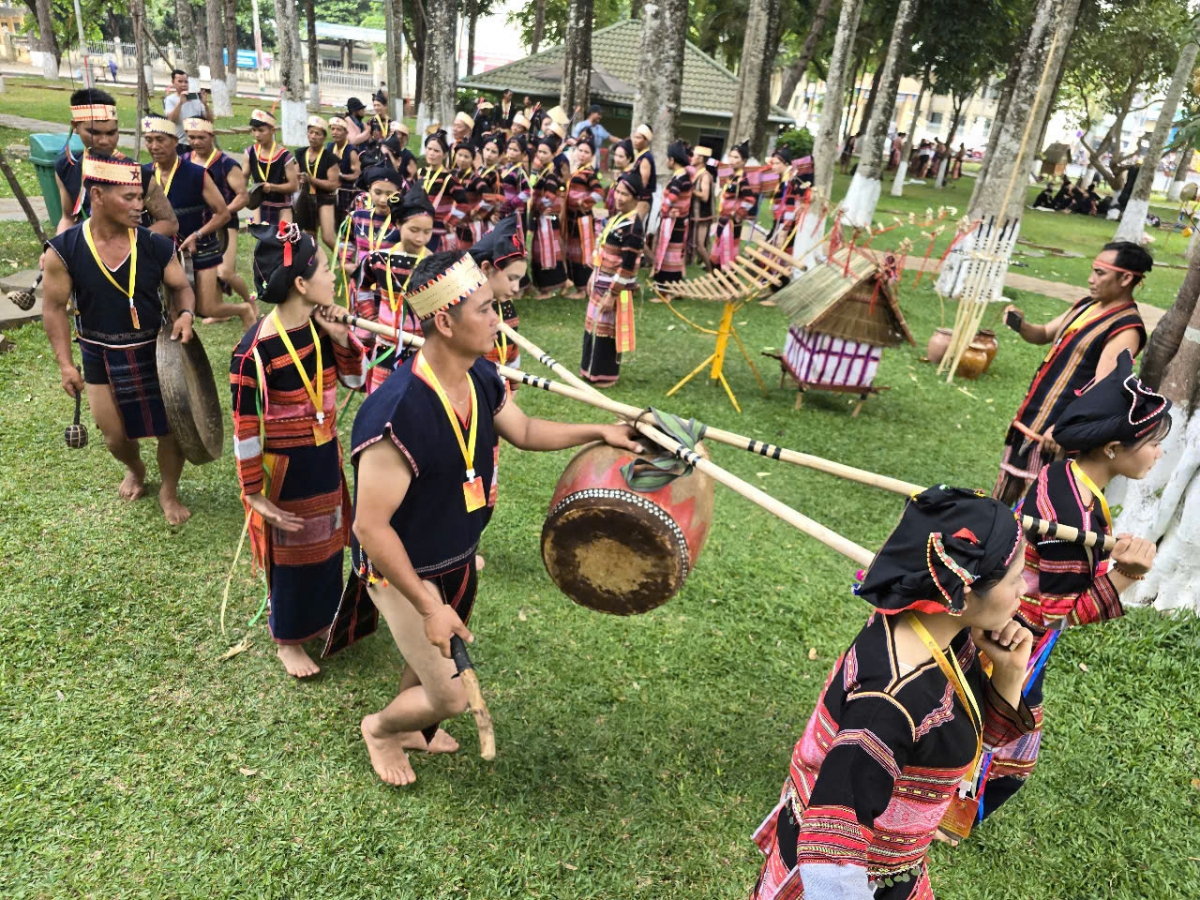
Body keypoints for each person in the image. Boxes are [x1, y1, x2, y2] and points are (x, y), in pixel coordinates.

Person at [349, 249, 643, 786]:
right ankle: (382, 728)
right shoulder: (397, 413)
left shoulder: (481, 375)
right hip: (401, 570)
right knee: (452, 694)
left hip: (455, 556)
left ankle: (414, 723)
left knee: (429, 659)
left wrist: (599, 430)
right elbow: (370, 526)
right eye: (485, 310)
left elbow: (525, 431)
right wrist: (426, 605)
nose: (499, 319)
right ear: (445, 320)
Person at [749, 485, 1037, 899]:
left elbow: (981, 738)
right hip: (861, 881)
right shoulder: (888, 705)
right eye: (1015, 579)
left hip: (895, 868)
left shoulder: (939, 630)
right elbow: (829, 855)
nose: (1025, 588)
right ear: (963, 592)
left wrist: (1009, 671)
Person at [976, 351, 1167, 823]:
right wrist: (1128, 574)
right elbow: (1057, 612)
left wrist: (1105, 558)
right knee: (1003, 748)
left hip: (1002, 623)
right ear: (1110, 448)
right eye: (1150, 442)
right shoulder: (1070, 515)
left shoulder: (1065, 474)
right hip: (1011, 639)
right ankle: (943, 813)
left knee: (973, 721)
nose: (1159, 453)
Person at [230, 223, 367, 678]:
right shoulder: (254, 352)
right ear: (302, 284)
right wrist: (254, 493)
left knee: (328, 542)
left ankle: (324, 616)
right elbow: (245, 430)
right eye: (326, 268)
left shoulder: (320, 329)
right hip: (285, 470)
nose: (335, 276)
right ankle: (287, 637)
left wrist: (344, 337)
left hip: (324, 457)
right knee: (290, 553)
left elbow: (354, 381)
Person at [42, 156, 198, 525]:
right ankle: (136, 468)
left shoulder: (155, 245)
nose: (139, 206)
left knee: (170, 429)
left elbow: (181, 289)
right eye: (128, 198)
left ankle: (169, 491)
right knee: (113, 436)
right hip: (99, 352)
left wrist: (187, 314)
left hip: (156, 350)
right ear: (97, 195)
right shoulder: (64, 250)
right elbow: (53, 308)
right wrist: (66, 363)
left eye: (140, 196)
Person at [994, 242, 1149, 506]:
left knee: (1035, 511)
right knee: (1000, 502)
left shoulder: (1126, 328)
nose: (1091, 279)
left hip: (1056, 437)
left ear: (1125, 278)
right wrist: (1020, 324)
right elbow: (1043, 333)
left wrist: (1061, 428)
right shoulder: (1086, 305)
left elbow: (1103, 389)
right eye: (1093, 271)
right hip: (1030, 423)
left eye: (1100, 273)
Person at [142, 116, 255, 329]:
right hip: (164, 249)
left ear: (175, 141)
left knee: (206, 308)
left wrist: (198, 234)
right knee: (174, 311)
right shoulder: (144, 174)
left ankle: (244, 309)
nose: (154, 146)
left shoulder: (196, 173)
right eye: (149, 140)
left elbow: (222, 214)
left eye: (160, 139)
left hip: (201, 246)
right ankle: (183, 360)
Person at [55, 88, 177, 238]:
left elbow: (170, 223)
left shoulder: (137, 173)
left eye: (111, 133)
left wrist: (126, 244)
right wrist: (56, 249)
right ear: (75, 126)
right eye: (94, 133)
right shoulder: (66, 167)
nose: (105, 141)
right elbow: (68, 218)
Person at [354, 184, 436, 391]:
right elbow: (361, 286)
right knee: (380, 398)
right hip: (385, 345)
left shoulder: (435, 265)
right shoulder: (379, 259)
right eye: (414, 230)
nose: (420, 238)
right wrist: (370, 318)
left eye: (427, 232)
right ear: (398, 224)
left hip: (422, 349)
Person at [182, 117, 254, 315]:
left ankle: (249, 302)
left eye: (201, 137)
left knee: (225, 272)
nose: (196, 142)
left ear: (211, 136)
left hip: (225, 224)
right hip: (196, 226)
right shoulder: (184, 161)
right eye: (191, 137)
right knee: (209, 272)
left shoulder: (226, 164)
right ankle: (218, 310)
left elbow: (243, 196)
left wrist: (223, 214)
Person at [581, 171, 644, 386]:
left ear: (636, 199)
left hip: (612, 286)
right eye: (618, 191)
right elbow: (602, 249)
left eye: (625, 194)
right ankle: (589, 370)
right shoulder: (618, 217)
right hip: (600, 280)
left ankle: (604, 375)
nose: (619, 197)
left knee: (606, 332)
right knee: (593, 327)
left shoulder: (634, 227)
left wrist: (613, 294)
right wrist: (593, 274)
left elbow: (628, 267)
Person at [469, 214, 527, 373]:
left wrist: (511, 389)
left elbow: (512, 354)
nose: (516, 288)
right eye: (511, 278)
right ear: (486, 268)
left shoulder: (506, 306)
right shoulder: (462, 310)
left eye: (519, 280)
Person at [563, 131, 604, 299]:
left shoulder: (589, 174)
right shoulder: (576, 171)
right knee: (573, 251)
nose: (582, 154)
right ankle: (578, 285)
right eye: (580, 150)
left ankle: (583, 288)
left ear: (592, 156)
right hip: (572, 219)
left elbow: (599, 192)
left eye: (586, 152)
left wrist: (584, 203)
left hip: (583, 220)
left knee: (582, 253)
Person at [243, 109, 299, 227]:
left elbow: (294, 186)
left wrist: (272, 187)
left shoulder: (285, 155)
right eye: (254, 130)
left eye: (261, 130)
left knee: (283, 241)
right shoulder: (250, 152)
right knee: (261, 240)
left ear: (272, 131)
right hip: (259, 205)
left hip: (282, 207)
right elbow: (243, 179)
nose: (257, 134)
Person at [529, 135, 568, 298]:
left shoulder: (551, 174)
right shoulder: (543, 172)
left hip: (547, 220)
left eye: (545, 152)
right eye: (539, 152)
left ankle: (548, 289)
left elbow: (550, 196)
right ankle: (565, 282)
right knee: (545, 252)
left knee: (547, 254)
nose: (541, 155)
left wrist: (540, 207)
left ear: (553, 155)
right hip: (542, 219)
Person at [295, 116, 340, 252]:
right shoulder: (300, 153)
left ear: (324, 137)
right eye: (311, 132)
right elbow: (296, 176)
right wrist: (298, 179)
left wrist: (311, 180)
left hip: (325, 199)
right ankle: (311, 265)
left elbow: (333, 184)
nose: (313, 136)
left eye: (317, 134)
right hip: (306, 197)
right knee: (309, 236)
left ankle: (346, 263)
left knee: (327, 237)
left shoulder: (330, 158)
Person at [652, 140, 693, 287]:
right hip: (680, 221)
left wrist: (664, 210)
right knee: (674, 254)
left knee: (671, 254)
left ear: (672, 160)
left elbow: (673, 197)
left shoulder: (679, 179)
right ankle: (671, 286)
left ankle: (667, 288)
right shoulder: (685, 176)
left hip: (675, 222)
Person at [419, 130, 467, 252]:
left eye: (436, 151)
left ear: (445, 155)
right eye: (429, 149)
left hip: (439, 233)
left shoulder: (449, 179)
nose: (431, 153)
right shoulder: (421, 173)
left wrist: (450, 221)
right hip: (420, 229)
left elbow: (463, 204)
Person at [715, 141, 755, 270]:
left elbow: (750, 200)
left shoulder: (743, 180)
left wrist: (738, 213)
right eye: (731, 156)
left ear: (744, 161)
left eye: (736, 157)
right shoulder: (731, 176)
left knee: (728, 253)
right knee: (719, 251)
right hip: (723, 219)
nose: (732, 160)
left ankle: (729, 280)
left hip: (732, 223)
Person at [765, 145, 809, 253]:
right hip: (779, 221)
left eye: (777, 163)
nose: (773, 166)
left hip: (785, 224)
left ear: (786, 164)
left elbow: (790, 207)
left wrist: (784, 229)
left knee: (776, 250)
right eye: (773, 163)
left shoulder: (789, 182)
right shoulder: (783, 179)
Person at [163, 69, 211, 150]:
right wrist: (180, 103)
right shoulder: (170, 99)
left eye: (186, 82)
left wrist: (205, 105)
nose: (184, 84)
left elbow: (210, 121)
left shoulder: (196, 98)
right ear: (173, 82)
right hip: (180, 144)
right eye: (180, 81)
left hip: (197, 144)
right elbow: (172, 120)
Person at [329, 116, 363, 230]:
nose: (335, 132)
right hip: (330, 193)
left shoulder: (351, 151)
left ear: (346, 132)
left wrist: (341, 176)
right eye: (332, 129)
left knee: (345, 227)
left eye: (339, 129)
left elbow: (358, 174)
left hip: (347, 194)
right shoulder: (329, 147)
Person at [689, 146, 716, 272]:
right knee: (693, 244)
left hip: (703, 215)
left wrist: (691, 191)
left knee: (700, 246)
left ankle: (711, 270)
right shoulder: (696, 173)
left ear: (700, 158)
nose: (691, 158)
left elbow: (705, 196)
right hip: (695, 214)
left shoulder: (704, 175)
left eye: (694, 155)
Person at [629, 124, 657, 222]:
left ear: (646, 141)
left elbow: (643, 183)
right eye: (635, 137)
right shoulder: (640, 156)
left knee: (636, 225)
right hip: (637, 198)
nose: (635, 140)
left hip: (642, 200)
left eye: (638, 138)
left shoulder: (645, 158)